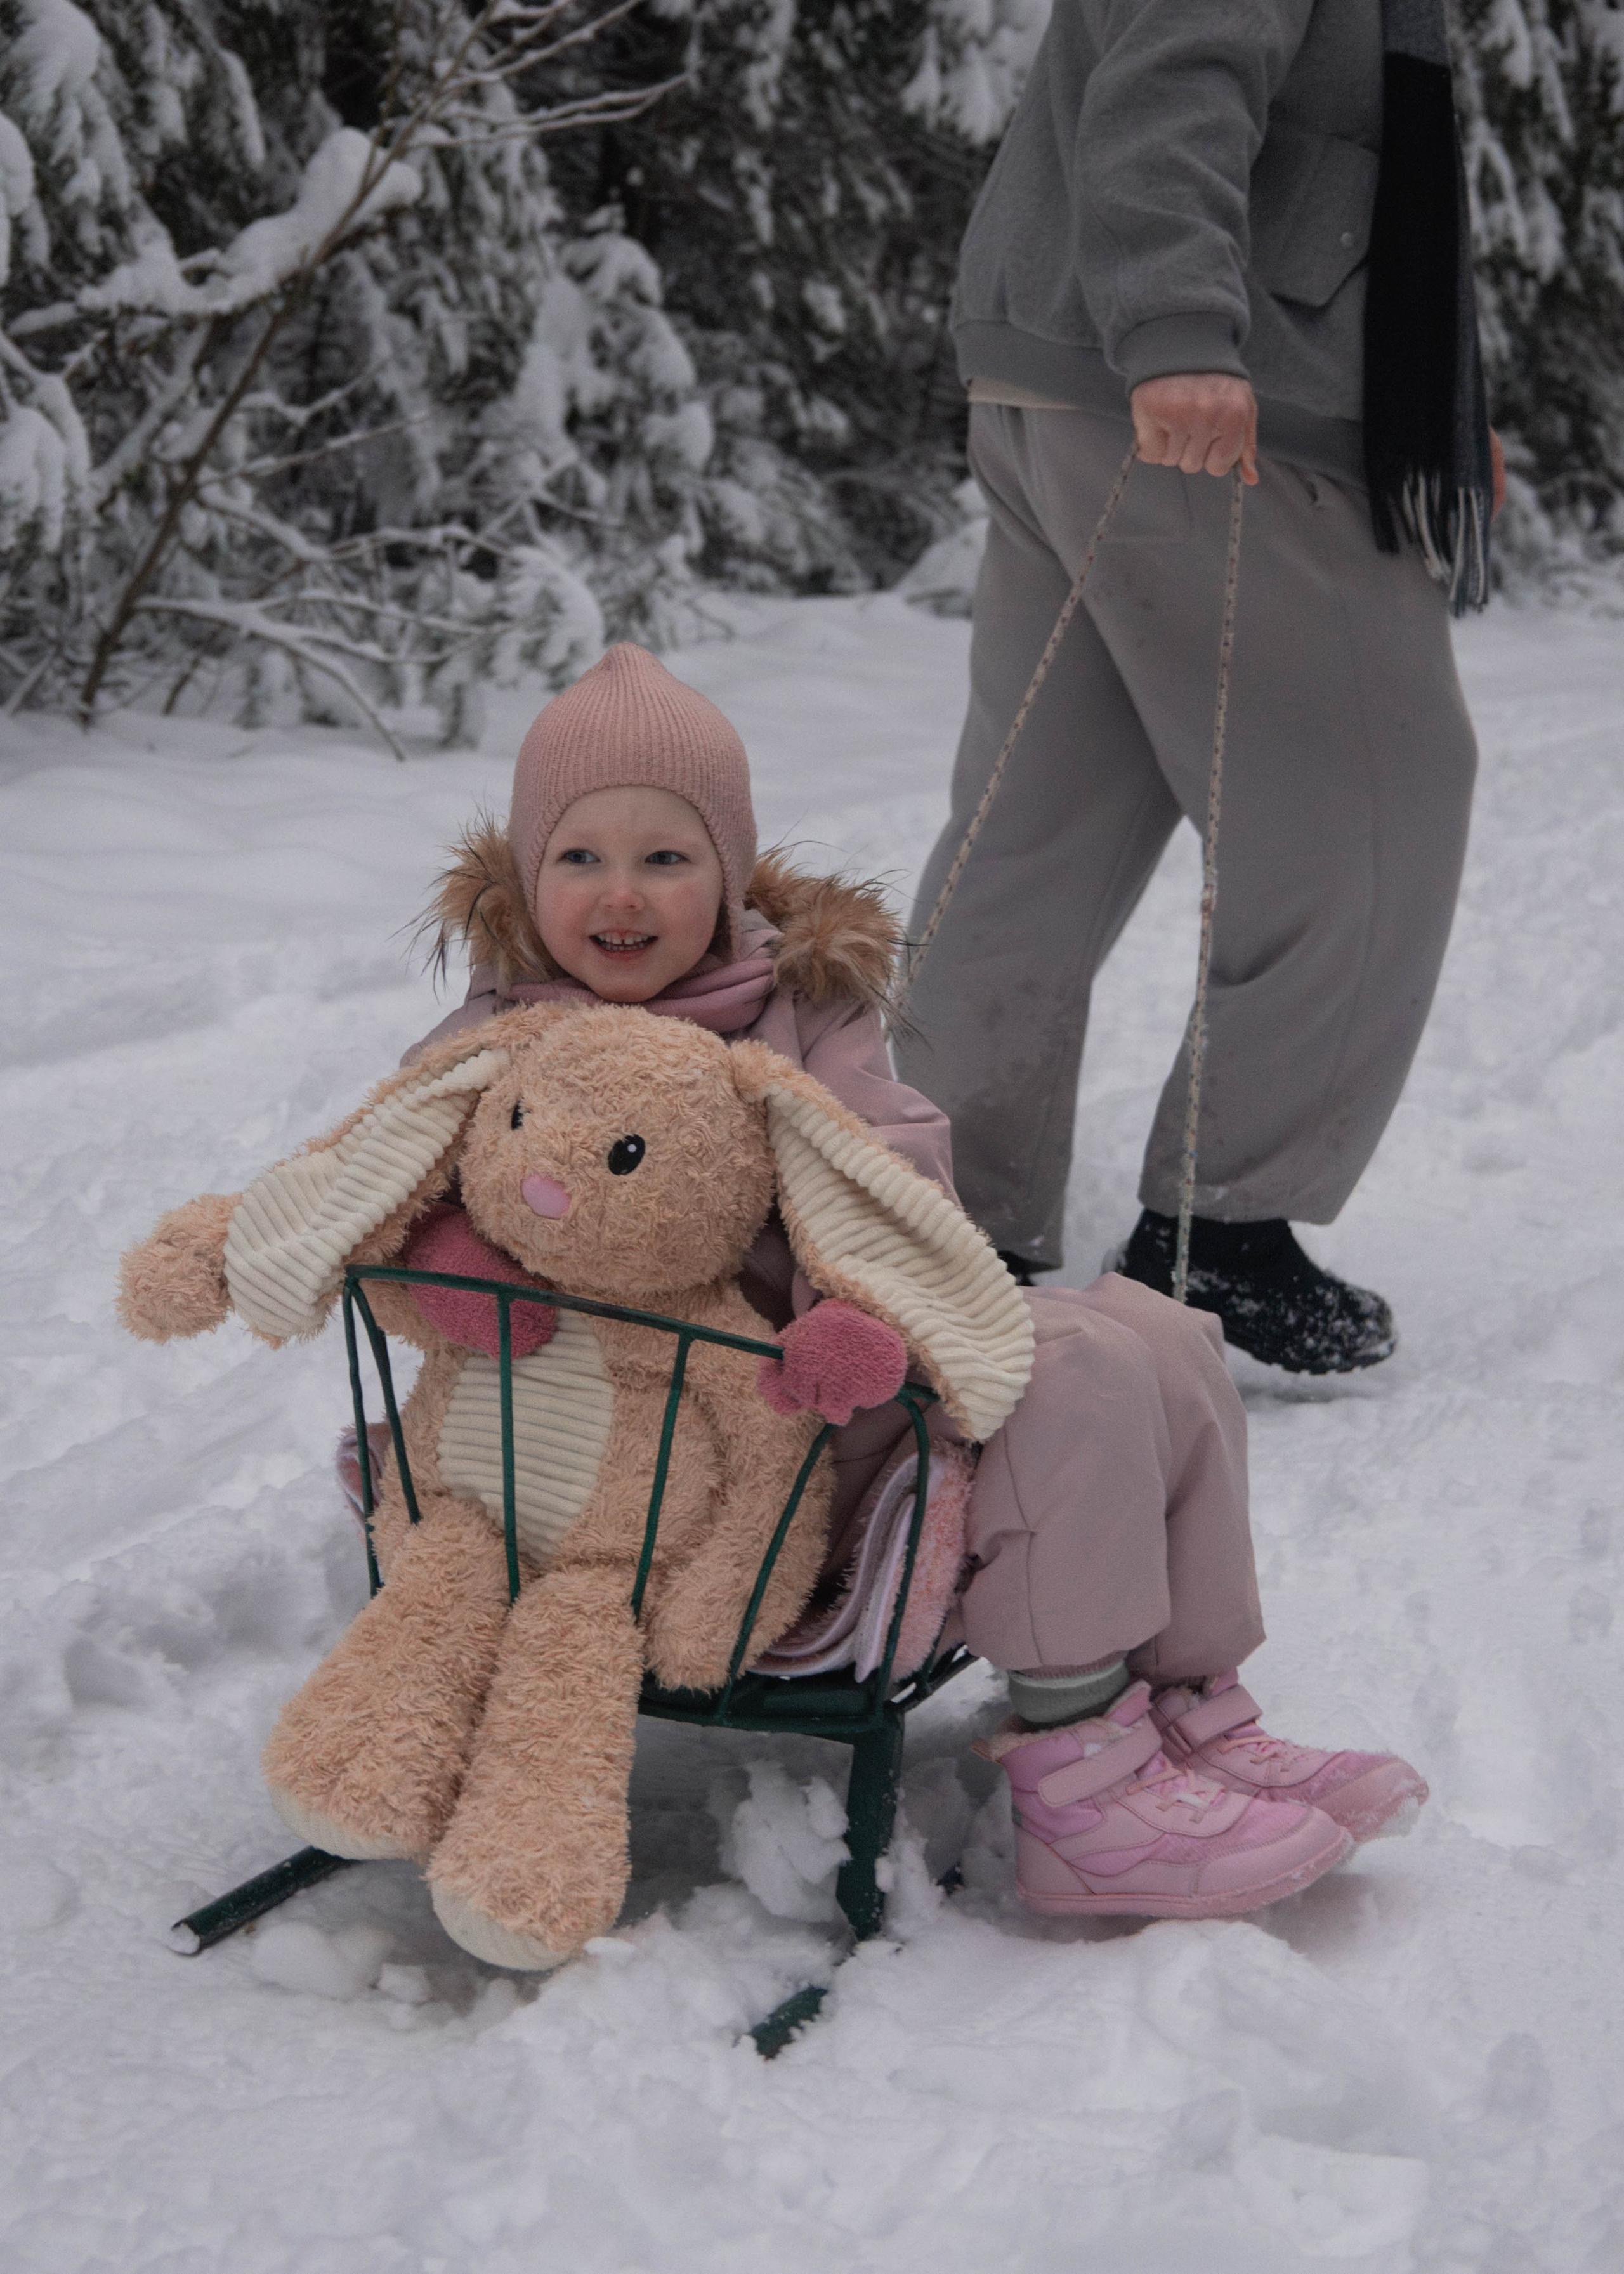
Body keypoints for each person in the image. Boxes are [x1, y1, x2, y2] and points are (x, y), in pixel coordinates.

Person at [400, 641, 1426, 1923]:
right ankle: (1081, 1781)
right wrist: (446, 1253)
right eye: (580, 856)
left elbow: (894, 1174)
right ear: (526, 872)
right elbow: (388, 1185)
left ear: (725, 874)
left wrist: (854, 1252)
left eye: (665, 856)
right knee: (1068, 1376)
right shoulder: (496, 1039)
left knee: (1156, 1330)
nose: (623, 895)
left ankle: (1183, 1707)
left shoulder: (799, 1010)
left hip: (830, 1373)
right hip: (686, 1461)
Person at [896, 0, 1500, 1375]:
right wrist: (1176, 326)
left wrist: (1438, 407)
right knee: (1374, 804)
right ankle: (1213, 1230)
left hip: (1071, 381)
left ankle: (925, 1208)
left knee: (1034, 826)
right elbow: (1177, 82)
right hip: (1191, 401)